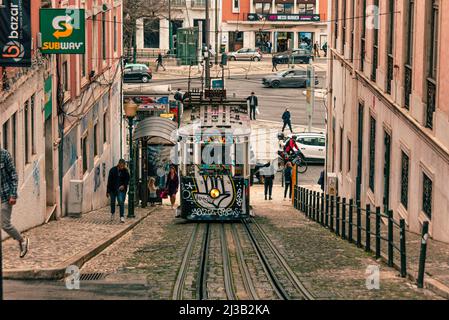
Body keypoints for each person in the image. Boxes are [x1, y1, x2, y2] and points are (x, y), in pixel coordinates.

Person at [1, 147, 29, 258]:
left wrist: (13, 195)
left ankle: (22, 241)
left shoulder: (4, 155)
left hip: (5, 196)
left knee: (5, 224)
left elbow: (13, 176)